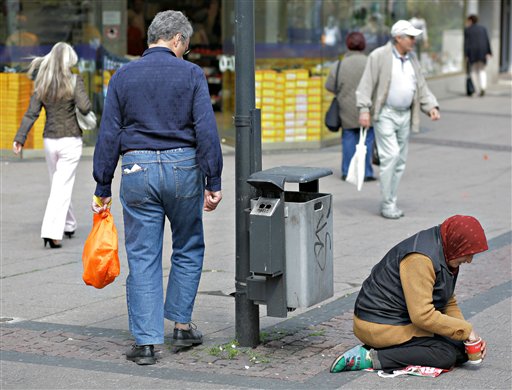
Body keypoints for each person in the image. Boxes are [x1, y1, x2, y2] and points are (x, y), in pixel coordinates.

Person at [92, 10, 223, 366]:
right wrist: (214, 179)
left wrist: (102, 183)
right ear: (178, 39)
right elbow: (205, 130)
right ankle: (181, 325)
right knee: (189, 243)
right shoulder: (192, 74)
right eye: (187, 45)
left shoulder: (123, 75)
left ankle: (146, 343)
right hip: (183, 166)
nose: (187, 51)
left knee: (143, 255)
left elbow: (109, 133)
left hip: (137, 169)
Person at [330, 215, 489, 373]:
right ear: (457, 244)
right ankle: (369, 357)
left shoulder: (448, 252)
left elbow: (448, 301)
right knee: (445, 356)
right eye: (468, 253)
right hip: (379, 324)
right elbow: (422, 316)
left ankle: (396, 351)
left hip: (401, 319)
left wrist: (466, 336)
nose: (469, 260)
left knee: (461, 350)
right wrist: (466, 330)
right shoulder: (421, 259)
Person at [356, 20, 440, 219]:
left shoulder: (412, 59)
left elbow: (421, 85)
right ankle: (387, 204)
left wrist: (431, 107)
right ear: (398, 38)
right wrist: (364, 110)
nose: (414, 41)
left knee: (400, 161)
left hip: (405, 114)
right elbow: (366, 84)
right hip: (385, 113)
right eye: (410, 37)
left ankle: (390, 198)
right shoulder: (379, 56)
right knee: (391, 156)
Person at [13, 42, 91, 249]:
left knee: (58, 184)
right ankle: (51, 232)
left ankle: (69, 224)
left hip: (50, 140)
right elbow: (85, 107)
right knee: (61, 186)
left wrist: (19, 138)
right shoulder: (74, 80)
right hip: (70, 139)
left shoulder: (43, 83)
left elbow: (32, 113)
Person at [325, 32, 375, 182]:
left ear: (347, 45)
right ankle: (366, 172)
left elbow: (329, 86)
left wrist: (343, 92)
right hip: (367, 107)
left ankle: (347, 171)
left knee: (348, 138)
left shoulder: (339, 65)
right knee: (367, 139)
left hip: (346, 107)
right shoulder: (371, 63)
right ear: (363, 45)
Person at [464, 14, 492, 97]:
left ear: (470, 21)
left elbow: (466, 43)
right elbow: (487, 40)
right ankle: (483, 87)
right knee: (482, 70)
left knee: (473, 71)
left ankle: (476, 89)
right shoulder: (483, 29)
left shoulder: (468, 30)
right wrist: (489, 52)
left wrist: (466, 54)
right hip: (482, 52)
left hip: (472, 53)